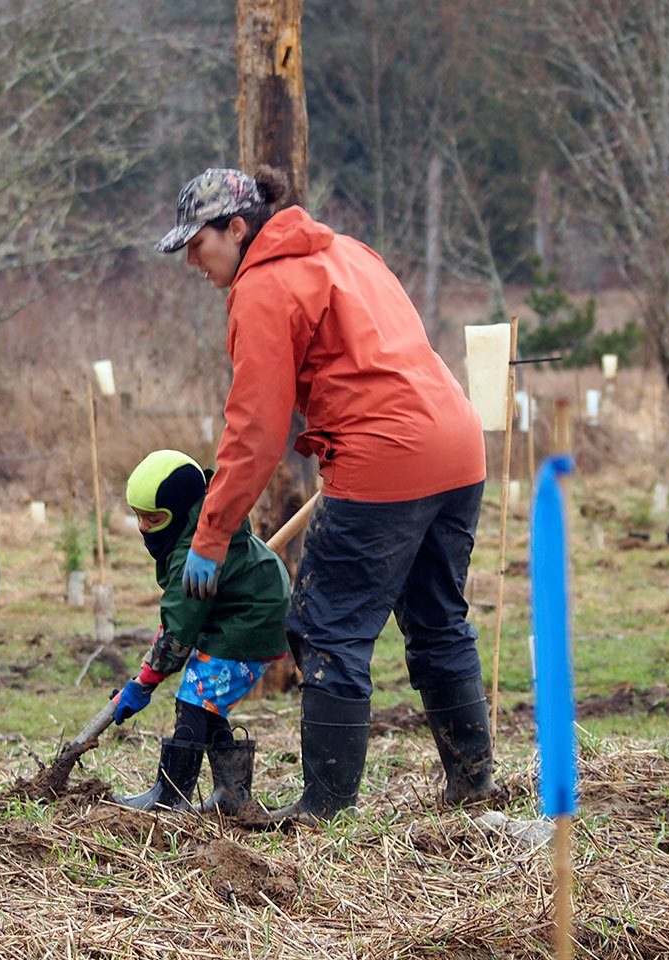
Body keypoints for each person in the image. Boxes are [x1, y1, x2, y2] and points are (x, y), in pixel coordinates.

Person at [154, 166, 496, 820]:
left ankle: (324, 809)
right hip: (457, 444)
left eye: (198, 244)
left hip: (382, 458)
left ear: (236, 227)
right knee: (437, 622)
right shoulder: (348, 251)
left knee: (328, 629)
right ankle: (471, 787)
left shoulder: (262, 287)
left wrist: (212, 534)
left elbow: (254, 430)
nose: (192, 261)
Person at [110, 449, 290, 814]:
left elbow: (177, 635)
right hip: (245, 611)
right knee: (209, 704)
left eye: (154, 518)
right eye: (139, 518)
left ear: (177, 512)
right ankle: (232, 795)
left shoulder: (195, 551)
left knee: (193, 698)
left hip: (250, 622)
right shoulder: (200, 529)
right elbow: (180, 614)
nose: (145, 528)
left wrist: (143, 682)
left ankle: (171, 795)